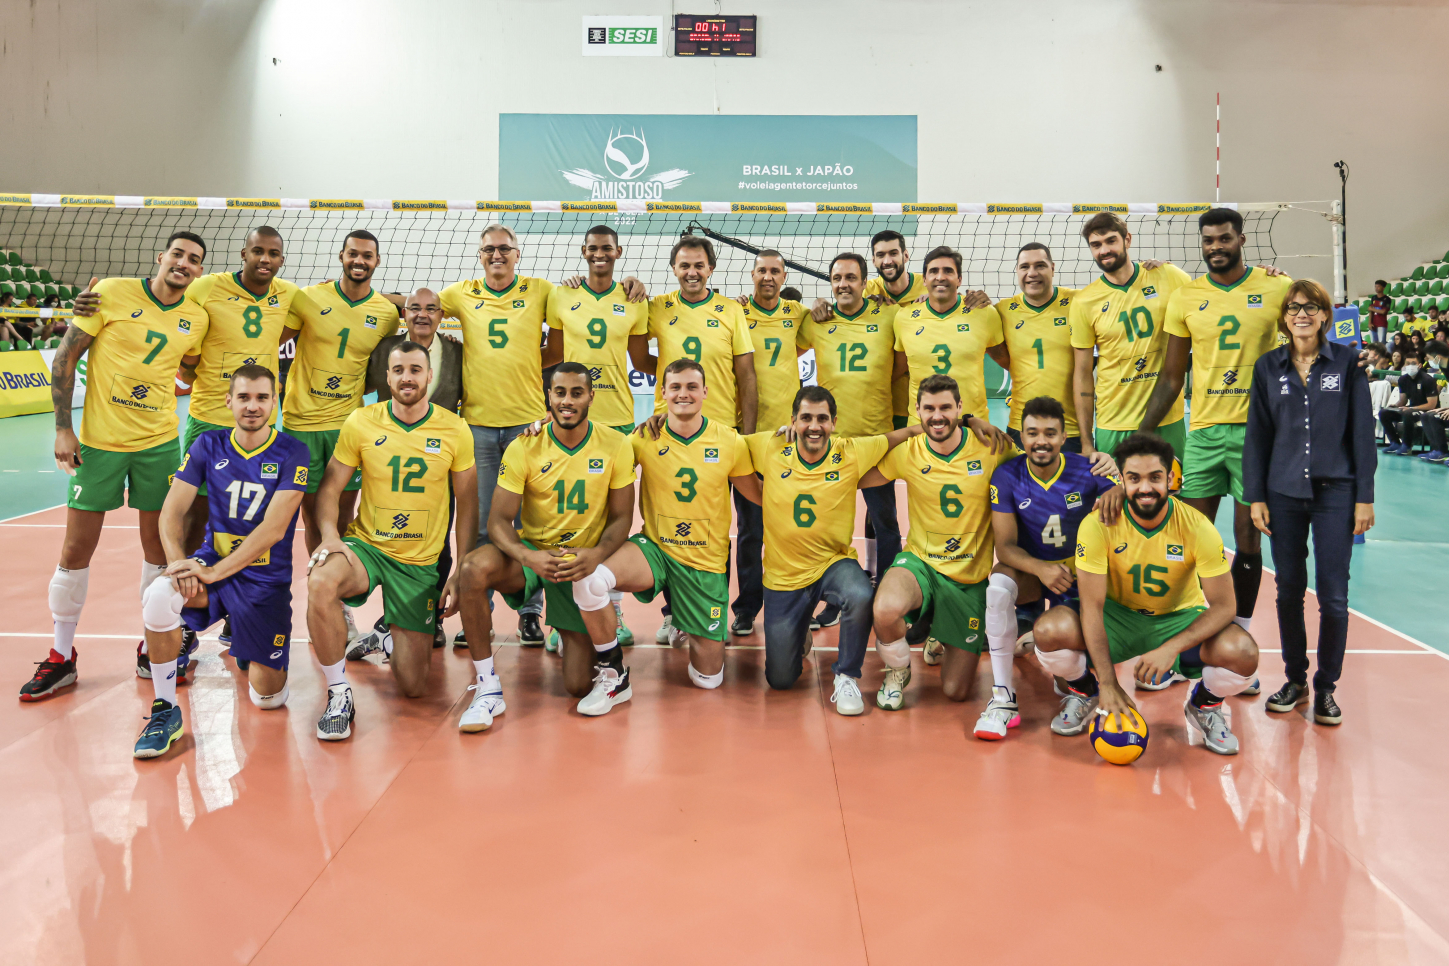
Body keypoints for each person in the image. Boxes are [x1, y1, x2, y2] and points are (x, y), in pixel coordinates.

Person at [21, 232, 211, 702]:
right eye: (178, 255)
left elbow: (188, 367)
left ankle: (153, 647)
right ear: (160, 257)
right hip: (101, 444)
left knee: (157, 551)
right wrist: (64, 429)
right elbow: (65, 358)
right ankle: (61, 656)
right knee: (75, 549)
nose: (184, 264)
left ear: (200, 271)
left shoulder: (196, 317)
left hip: (159, 445)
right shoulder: (110, 292)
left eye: (194, 260)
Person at [1038, 432, 1260, 755]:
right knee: (1048, 630)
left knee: (1243, 653)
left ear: (1171, 478)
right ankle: (1085, 690)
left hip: (1178, 619)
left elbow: (1226, 606)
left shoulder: (1197, 527)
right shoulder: (1098, 523)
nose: (1145, 488)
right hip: (1119, 616)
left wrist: (1170, 649)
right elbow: (1092, 605)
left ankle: (1205, 705)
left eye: (1155, 477)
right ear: (1122, 481)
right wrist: (1109, 684)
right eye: (1134, 478)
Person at [304, 341, 478, 740]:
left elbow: (468, 505)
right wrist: (331, 536)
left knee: (414, 687)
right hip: (367, 548)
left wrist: (461, 568)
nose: (407, 378)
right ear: (387, 377)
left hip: (419, 564)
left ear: (429, 376)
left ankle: (385, 634)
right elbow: (330, 489)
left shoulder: (455, 428)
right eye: (398, 370)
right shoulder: (362, 421)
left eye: (415, 370)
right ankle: (338, 693)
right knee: (320, 581)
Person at [133, 365, 307, 757]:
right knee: (159, 596)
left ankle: (246, 637)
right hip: (214, 568)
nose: (252, 406)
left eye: (262, 397)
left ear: (274, 402)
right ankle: (165, 709)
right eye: (244, 397)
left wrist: (211, 572)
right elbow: (171, 512)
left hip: (264, 581)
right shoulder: (208, 444)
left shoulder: (293, 451)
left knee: (267, 698)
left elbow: (273, 530)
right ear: (228, 401)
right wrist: (179, 566)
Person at [1142, 208, 1292, 651]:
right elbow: (1172, 378)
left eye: (1224, 239)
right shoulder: (1186, 297)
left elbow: (1309, 334)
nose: (1215, 248)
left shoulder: (1277, 287)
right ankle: (1182, 637)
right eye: (1208, 241)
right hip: (1204, 432)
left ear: (1241, 239)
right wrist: (1141, 432)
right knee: (1190, 534)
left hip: (1256, 434)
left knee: (1248, 537)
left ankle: (1239, 637)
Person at [455, 362, 637, 723]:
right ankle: (487, 684)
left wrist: (597, 554)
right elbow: (497, 521)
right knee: (473, 569)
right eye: (559, 392)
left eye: (576, 393)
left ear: (591, 397)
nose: (567, 401)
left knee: (576, 685)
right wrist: (529, 556)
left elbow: (622, 519)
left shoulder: (616, 443)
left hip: (579, 565)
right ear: (548, 397)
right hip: (535, 557)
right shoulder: (526, 445)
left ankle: (573, 628)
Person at [577, 359, 760, 689]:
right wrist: (544, 427)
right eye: (675, 387)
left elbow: (759, 497)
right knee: (591, 581)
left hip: (703, 564)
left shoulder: (731, 442)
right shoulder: (643, 438)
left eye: (691, 387)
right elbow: (594, 454)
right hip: (656, 551)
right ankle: (612, 671)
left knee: (709, 680)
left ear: (705, 392)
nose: (683, 394)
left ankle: (687, 618)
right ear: (663, 393)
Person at [746, 385, 926, 713]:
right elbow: (722, 446)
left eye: (822, 419)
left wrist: (966, 422)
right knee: (781, 679)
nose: (814, 425)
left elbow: (902, 435)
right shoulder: (768, 445)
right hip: (783, 575)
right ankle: (798, 632)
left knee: (859, 593)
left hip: (832, 563)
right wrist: (664, 419)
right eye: (805, 418)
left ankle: (847, 677)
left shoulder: (851, 451)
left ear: (834, 422)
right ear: (792, 421)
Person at [1244, 280, 1375, 726]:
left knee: (1334, 597)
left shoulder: (1348, 364)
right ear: (1284, 317)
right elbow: (1257, 438)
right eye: (1294, 307)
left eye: (1312, 307)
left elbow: (1362, 435)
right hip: (1282, 493)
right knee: (1287, 591)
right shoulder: (1267, 367)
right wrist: (1255, 496)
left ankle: (1326, 688)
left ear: (1325, 316)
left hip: (1336, 493)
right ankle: (1295, 679)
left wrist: (1365, 499)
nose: (1302, 314)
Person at [866, 376, 1019, 728]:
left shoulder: (991, 447)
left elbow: (1033, 470)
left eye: (946, 408)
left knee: (955, 691)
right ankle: (898, 670)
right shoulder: (909, 451)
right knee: (886, 608)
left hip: (968, 578)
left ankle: (940, 633)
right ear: (917, 412)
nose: (938, 416)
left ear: (961, 409)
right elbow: (856, 473)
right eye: (930, 409)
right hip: (921, 561)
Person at [631, 236, 757, 643]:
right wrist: (671, 397)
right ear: (673, 269)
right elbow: (637, 355)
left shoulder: (731, 311)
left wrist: (747, 433)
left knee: (725, 528)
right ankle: (674, 612)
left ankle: (735, 608)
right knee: (671, 523)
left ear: (711, 269)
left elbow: (747, 375)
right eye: (684, 265)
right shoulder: (658, 308)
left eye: (699, 265)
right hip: (671, 433)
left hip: (722, 435)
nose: (691, 272)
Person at [280, 230, 400, 650]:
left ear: (377, 261)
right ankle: (308, 601)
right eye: (353, 254)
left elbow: (401, 324)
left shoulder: (385, 312)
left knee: (344, 520)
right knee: (310, 522)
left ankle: (338, 604)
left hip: (348, 428)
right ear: (342, 255)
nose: (359, 261)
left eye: (367, 256)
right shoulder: (308, 298)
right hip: (301, 426)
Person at [542, 225, 650, 649]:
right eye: (593, 249)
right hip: (569, 421)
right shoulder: (561, 295)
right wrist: (543, 409)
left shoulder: (634, 298)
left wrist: (692, 386)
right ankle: (560, 620)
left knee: (611, 521)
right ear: (583, 252)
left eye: (607, 249)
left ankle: (614, 607)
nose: (600, 254)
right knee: (565, 517)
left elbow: (641, 359)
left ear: (618, 252)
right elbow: (552, 358)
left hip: (618, 421)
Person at [347, 287, 466, 657]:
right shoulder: (385, 350)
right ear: (405, 314)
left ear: (441, 315)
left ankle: (431, 619)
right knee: (385, 535)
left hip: (438, 457)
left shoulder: (457, 351)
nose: (422, 315)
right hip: (389, 459)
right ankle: (390, 622)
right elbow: (364, 385)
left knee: (437, 538)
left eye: (431, 309)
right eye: (414, 308)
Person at [990, 395, 1126, 713]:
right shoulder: (1007, 476)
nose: (1041, 441)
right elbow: (1005, 547)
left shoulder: (1089, 469)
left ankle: (1039, 636)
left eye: (1050, 433)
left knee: (1067, 676)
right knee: (998, 584)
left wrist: (1119, 482)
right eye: (1033, 432)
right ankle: (1002, 692)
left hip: (1080, 575)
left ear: (1064, 437)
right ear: (1020, 437)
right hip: (1035, 574)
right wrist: (1041, 569)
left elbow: (1124, 504)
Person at [797, 253, 902, 622]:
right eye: (837, 278)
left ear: (864, 282)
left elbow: (902, 362)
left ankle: (889, 594)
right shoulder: (816, 321)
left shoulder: (890, 316)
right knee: (829, 529)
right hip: (832, 444)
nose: (843, 284)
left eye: (851, 277)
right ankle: (833, 600)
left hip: (876, 441)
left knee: (884, 522)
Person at [1070, 212, 1191, 460]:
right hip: (1114, 422)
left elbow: (1208, 299)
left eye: (1111, 241)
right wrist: (1086, 440)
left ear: (1128, 239)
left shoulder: (1170, 277)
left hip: (1168, 418)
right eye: (1096, 245)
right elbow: (1082, 373)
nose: (1104, 250)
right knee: (1114, 497)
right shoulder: (1084, 302)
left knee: (1172, 496)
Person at [731, 251, 805, 635]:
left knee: (790, 528)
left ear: (783, 275)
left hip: (787, 439)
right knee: (750, 529)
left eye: (775, 271)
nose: (768, 277)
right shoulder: (736, 313)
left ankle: (792, 604)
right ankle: (746, 607)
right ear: (753, 274)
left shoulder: (798, 314)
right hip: (747, 439)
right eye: (762, 270)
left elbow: (837, 317)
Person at [892, 246, 1008, 430]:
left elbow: (1007, 361)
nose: (940, 277)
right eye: (933, 271)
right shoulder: (904, 317)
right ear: (924, 279)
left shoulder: (984, 314)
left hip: (973, 426)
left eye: (948, 271)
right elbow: (896, 369)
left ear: (959, 279)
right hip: (922, 428)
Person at [1380, 346, 1440, 453]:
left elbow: (1431, 405)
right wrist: (1396, 405)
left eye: (1413, 363)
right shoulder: (1403, 379)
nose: (1410, 366)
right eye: (1407, 363)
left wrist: (1411, 408)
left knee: (1407, 413)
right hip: (1412, 408)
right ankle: (1394, 442)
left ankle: (1407, 446)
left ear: (1419, 365)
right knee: (1384, 413)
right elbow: (1402, 401)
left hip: (1427, 411)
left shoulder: (1427, 380)